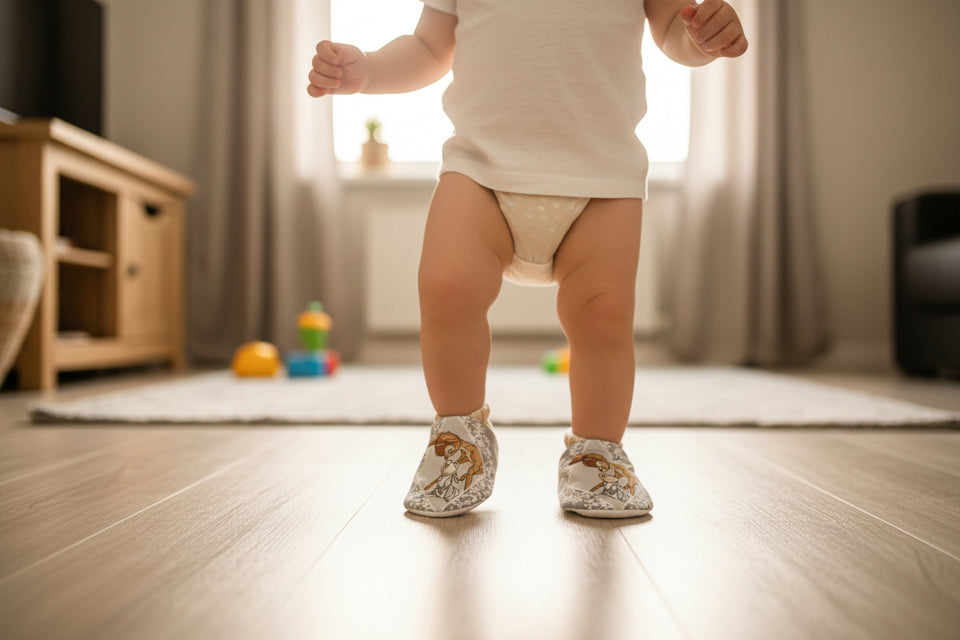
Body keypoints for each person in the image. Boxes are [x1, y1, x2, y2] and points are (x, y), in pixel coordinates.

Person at [308, 0, 747, 518]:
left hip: (601, 178)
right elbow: (429, 47)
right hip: (481, 169)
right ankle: (459, 442)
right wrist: (369, 70)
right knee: (446, 287)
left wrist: (701, 39)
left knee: (603, 316)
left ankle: (597, 454)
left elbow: (673, 27)